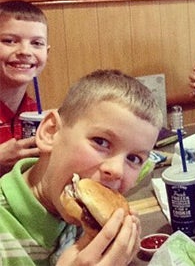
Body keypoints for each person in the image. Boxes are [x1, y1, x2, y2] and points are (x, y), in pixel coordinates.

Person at [0, 69, 163, 265]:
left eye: (134, 158)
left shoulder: (82, 211)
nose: (117, 170)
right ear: (51, 132)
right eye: (101, 142)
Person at [0, 0, 49, 175]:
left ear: (47, 53)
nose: (25, 51)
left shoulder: (34, 110)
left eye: (36, 43)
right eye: (10, 41)